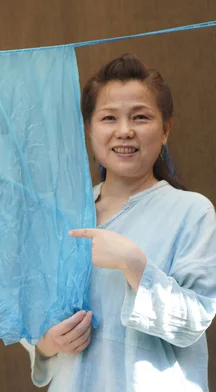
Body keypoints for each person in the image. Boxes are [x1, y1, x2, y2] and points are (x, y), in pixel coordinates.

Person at [21, 54, 216, 391]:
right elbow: (33, 319)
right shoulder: (65, 217)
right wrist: (48, 342)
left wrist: (134, 264)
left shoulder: (193, 212)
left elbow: (194, 320)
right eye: (109, 117)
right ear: (89, 129)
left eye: (140, 117)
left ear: (166, 129)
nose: (125, 131)